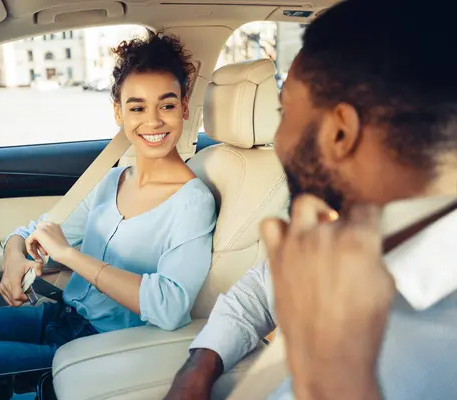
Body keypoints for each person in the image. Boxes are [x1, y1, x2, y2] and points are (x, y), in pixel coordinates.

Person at [0, 30, 217, 391]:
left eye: (167, 105)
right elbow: (38, 231)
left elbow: (170, 307)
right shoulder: (113, 180)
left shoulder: (193, 201)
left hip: (93, 349)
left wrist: (70, 257)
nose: (153, 121)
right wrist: (14, 254)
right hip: (57, 316)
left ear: (185, 107)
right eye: (137, 107)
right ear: (118, 112)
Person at [165, 0, 457, 399]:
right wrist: (199, 366)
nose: (277, 139)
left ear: (340, 134)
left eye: (284, 112)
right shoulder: (352, 227)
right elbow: (258, 290)